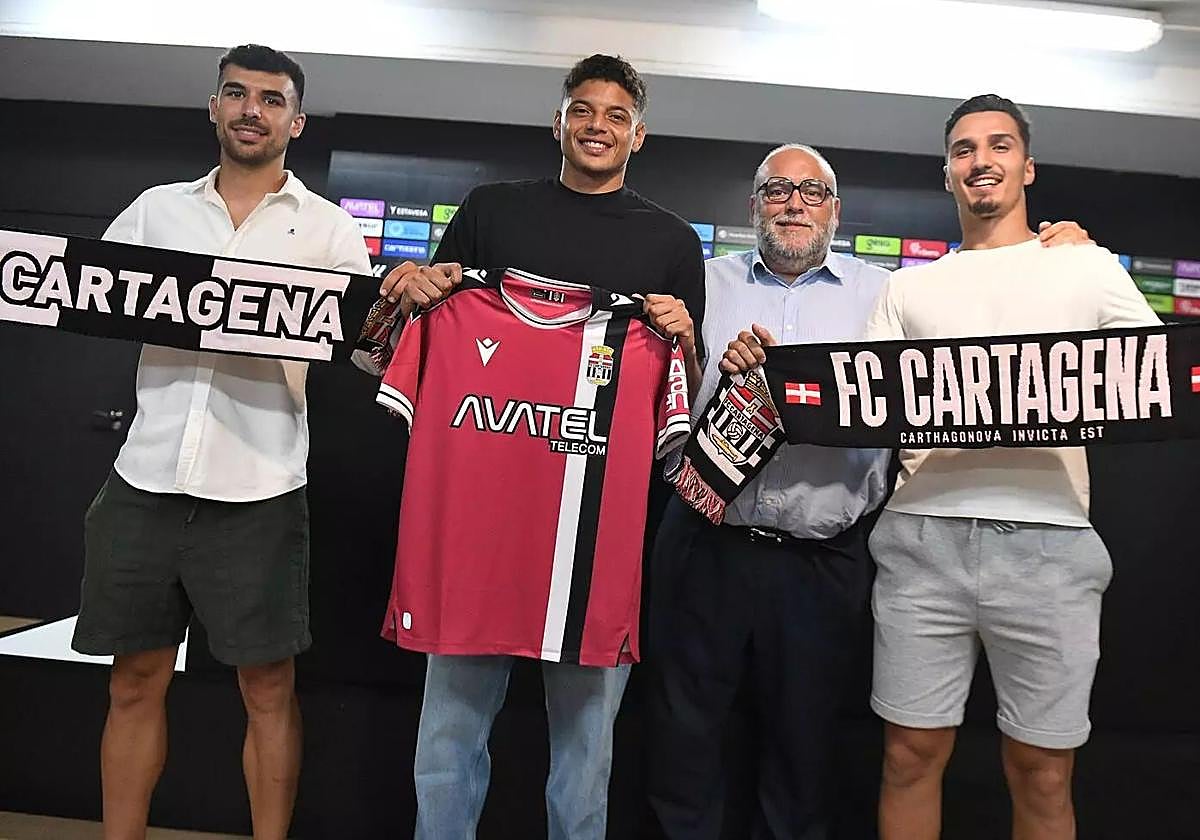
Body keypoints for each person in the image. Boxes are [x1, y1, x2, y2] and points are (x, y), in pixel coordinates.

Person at [646, 142, 1093, 839]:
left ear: (835, 211)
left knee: (805, 749)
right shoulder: (702, 283)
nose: (793, 202)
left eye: (810, 192)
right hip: (708, 546)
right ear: (754, 206)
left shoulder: (888, 290)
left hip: (824, 560)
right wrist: (718, 375)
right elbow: (659, 399)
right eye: (776, 189)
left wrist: (1059, 250)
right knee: (684, 739)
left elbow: (978, 337)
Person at [377, 54, 704, 839]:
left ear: (640, 134)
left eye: (616, 115)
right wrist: (410, 289)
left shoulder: (668, 242)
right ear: (557, 121)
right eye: (583, 110)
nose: (598, 125)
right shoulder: (492, 209)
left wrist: (685, 340)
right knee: (448, 740)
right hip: (477, 540)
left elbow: (685, 395)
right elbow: (416, 322)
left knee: (585, 756)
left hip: (590, 552)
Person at [70, 44, 371, 840]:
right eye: (236, 94)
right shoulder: (153, 210)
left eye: (271, 100)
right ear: (213, 108)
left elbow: (365, 347)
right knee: (134, 679)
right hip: (145, 475)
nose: (251, 110)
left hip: (261, 485)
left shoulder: (331, 232)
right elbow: (88, 294)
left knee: (269, 688)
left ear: (295, 122)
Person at [865, 95, 1159, 840]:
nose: (981, 161)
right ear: (947, 174)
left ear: (1026, 166)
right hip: (922, 540)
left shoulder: (1086, 267)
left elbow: (1152, 382)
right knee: (907, 755)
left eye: (998, 146)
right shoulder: (908, 286)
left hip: (1051, 544)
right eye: (964, 150)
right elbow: (870, 405)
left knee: (1044, 770)